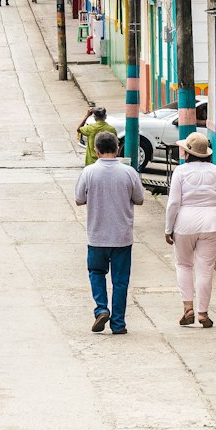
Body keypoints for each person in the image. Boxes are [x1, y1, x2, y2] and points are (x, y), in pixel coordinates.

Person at [74, 131, 145, 335]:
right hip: (122, 237)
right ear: (117, 149)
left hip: (97, 236)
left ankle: (101, 308)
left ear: (96, 151)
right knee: (120, 281)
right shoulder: (129, 172)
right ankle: (118, 323)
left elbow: (79, 199)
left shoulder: (89, 172)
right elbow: (139, 199)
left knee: (96, 273)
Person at [164, 131, 216, 328]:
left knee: (184, 265)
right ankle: (203, 313)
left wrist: (168, 229)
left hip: (184, 224)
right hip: (211, 224)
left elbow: (173, 203)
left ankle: (188, 308)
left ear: (187, 153)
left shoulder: (180, 171)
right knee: (206, 269)